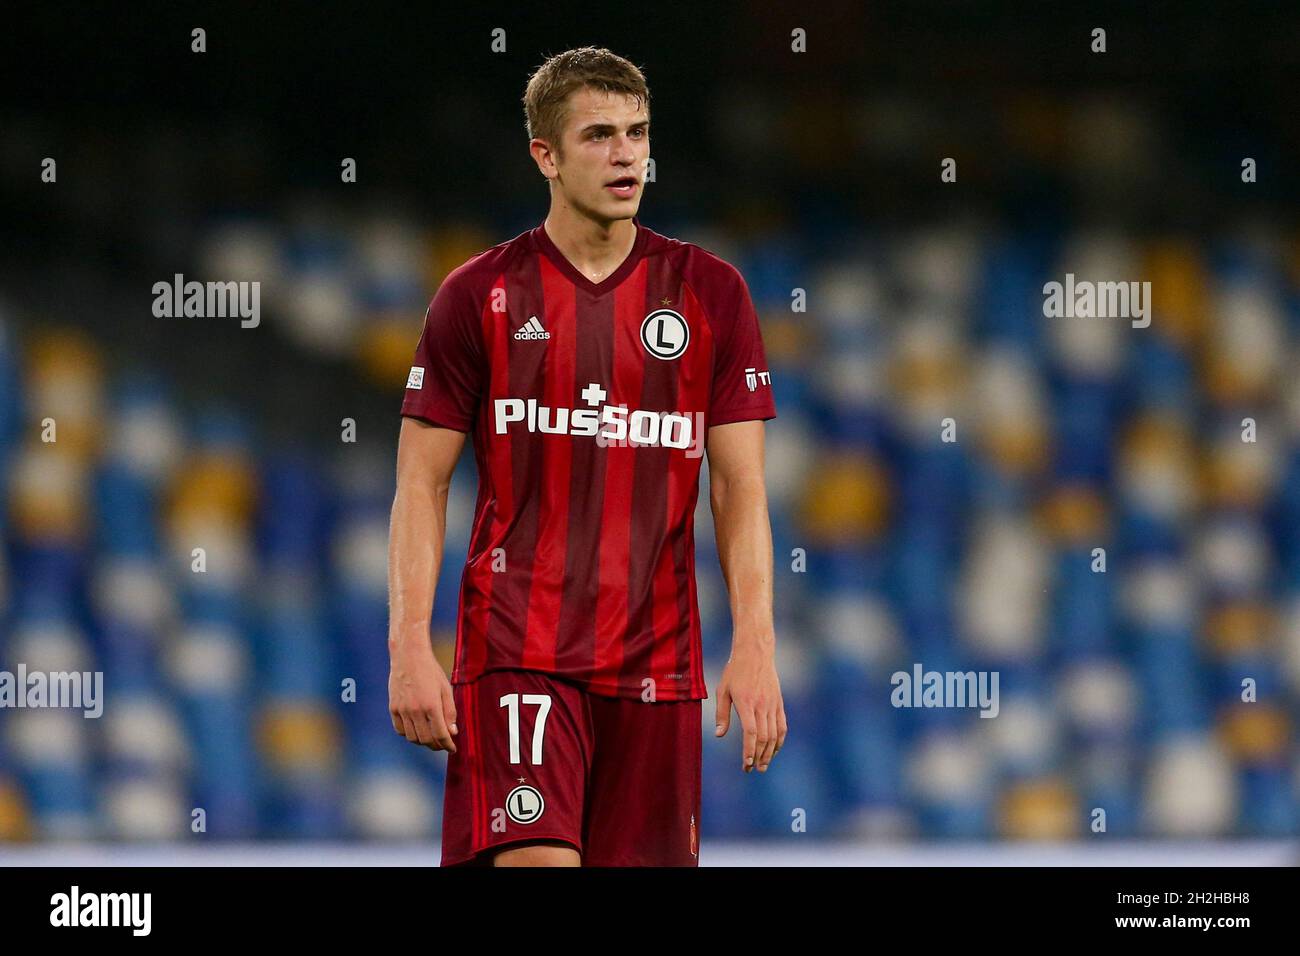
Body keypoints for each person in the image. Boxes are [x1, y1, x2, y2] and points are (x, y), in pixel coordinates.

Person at [388, 46, 784, 867]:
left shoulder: (710, 293)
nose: (626, 154)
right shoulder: (479, 295)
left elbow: (741, 489)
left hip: (658, 663)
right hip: (518, 651)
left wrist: (756, 644)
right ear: (546, 155)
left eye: (636, 133)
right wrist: (406, 648)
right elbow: (420, 483)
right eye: (599, 135)